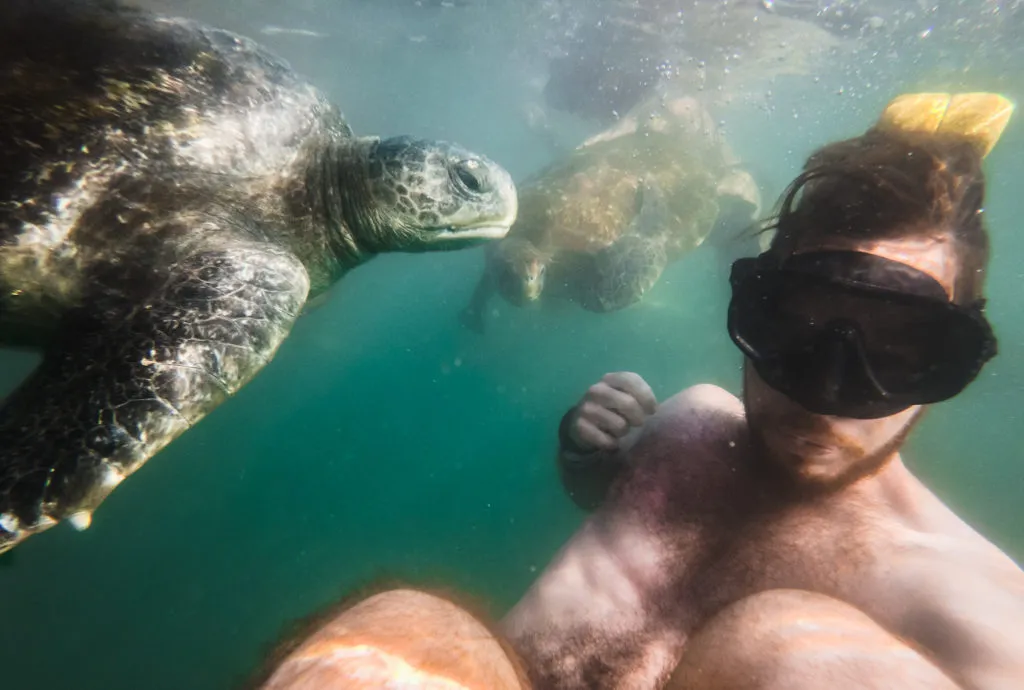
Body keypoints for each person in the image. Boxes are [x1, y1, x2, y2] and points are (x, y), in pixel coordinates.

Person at [499, 91, 1024, 690]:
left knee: (780, 647)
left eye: (895, 353)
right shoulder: (687, 422)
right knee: (418, 627)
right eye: (795, 331)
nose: (823, 393)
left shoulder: (976, 614)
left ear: (948, 363)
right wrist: (583, 451)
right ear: (755, 313)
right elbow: (599, 495)